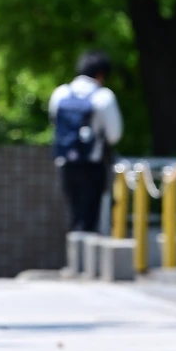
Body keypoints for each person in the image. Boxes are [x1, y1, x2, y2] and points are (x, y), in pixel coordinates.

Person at [49, 50, 123, 233]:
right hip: (93, 165)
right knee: (89, 218)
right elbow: (114, 135)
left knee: (74, 216)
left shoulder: (60, 93)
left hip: (66, 163)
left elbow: (54, 123)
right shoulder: (103, 96)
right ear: (101, 74)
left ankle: (75, 249)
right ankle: (85, 249)